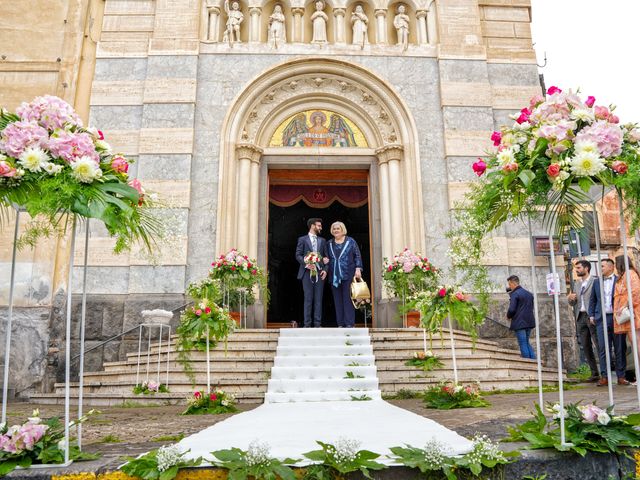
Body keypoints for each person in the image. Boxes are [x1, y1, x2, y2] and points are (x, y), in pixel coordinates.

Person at [588, 258, 629, 386]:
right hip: (601, 318)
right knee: (603, 348)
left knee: (620, 347)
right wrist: (591, 315)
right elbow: (592, 300)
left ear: (611, 267)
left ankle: (621, 376)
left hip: (617, 318)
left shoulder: (620, 280)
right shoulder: (596, 282)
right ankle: (604, 376)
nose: (601, 269)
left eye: (603, 266)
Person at [567, 259, 600, 381]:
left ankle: (604, 373)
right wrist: (570, 298)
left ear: (586, 268)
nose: (577, 270)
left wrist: (595, 315)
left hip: (592, 317)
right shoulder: (577, 283)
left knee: (598, 344)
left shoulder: (595, 281)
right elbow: (573, 302)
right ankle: (594, 373)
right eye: (576, 268)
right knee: (586, 346)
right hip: (580, 316)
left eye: (579, 268)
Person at [327, 221, 363, 328]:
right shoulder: (329, 243)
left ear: (343, 230)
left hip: (348, 273)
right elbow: (326, 257)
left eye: (338, 228)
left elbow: (357, 255)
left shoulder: (350, 241)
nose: (336, 230)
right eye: (334, 229)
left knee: (348, 299)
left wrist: (358, 268)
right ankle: (341, 323)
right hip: (334, 275)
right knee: (337, 300)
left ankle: (349, 323)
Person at [295, 218, 328, 328]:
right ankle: (307, 324)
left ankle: (318, 324)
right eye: (319, 225)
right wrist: (306, 263)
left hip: (319, 273)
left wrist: (325, 270)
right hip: (306, 272)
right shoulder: (302, 239)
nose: (320, 228)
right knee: (308, 298)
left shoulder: (323, 241)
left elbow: (327, 258)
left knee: (318, 298)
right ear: (312, 226)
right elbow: (298, 255)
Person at [614, 255, 640, 377]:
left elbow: (635, 292)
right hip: (630, 312)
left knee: (637, 344)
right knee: (635, 344)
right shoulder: (626, 275)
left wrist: (624, 306)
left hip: (634, 313)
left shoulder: (630, 274)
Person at [506, 275, 536, 359]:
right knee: (526, 342)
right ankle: (534, 363)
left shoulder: (515, 294)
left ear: (512, 283)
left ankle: (528, 365)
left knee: (523, 343)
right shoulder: (529, 294)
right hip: (529, 322)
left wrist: (508, 316)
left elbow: (512, 309)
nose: (509, 286)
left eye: (509, 284)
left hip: (519, 323)